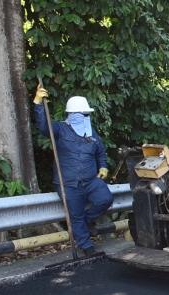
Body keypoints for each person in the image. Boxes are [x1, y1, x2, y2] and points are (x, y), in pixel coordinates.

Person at [33, 85, 113, 257]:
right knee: (75, 215)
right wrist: (38, 103)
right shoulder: (60, 129)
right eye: (83, 115)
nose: (86, 117)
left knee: (105, 199)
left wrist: (103, 166)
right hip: (68, 183)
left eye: (87, 115)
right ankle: (87, 248)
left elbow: (100, 151)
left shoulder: (91, 132)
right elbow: (43, 127)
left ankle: (84, 222)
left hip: (91, 180)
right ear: (73, 115)